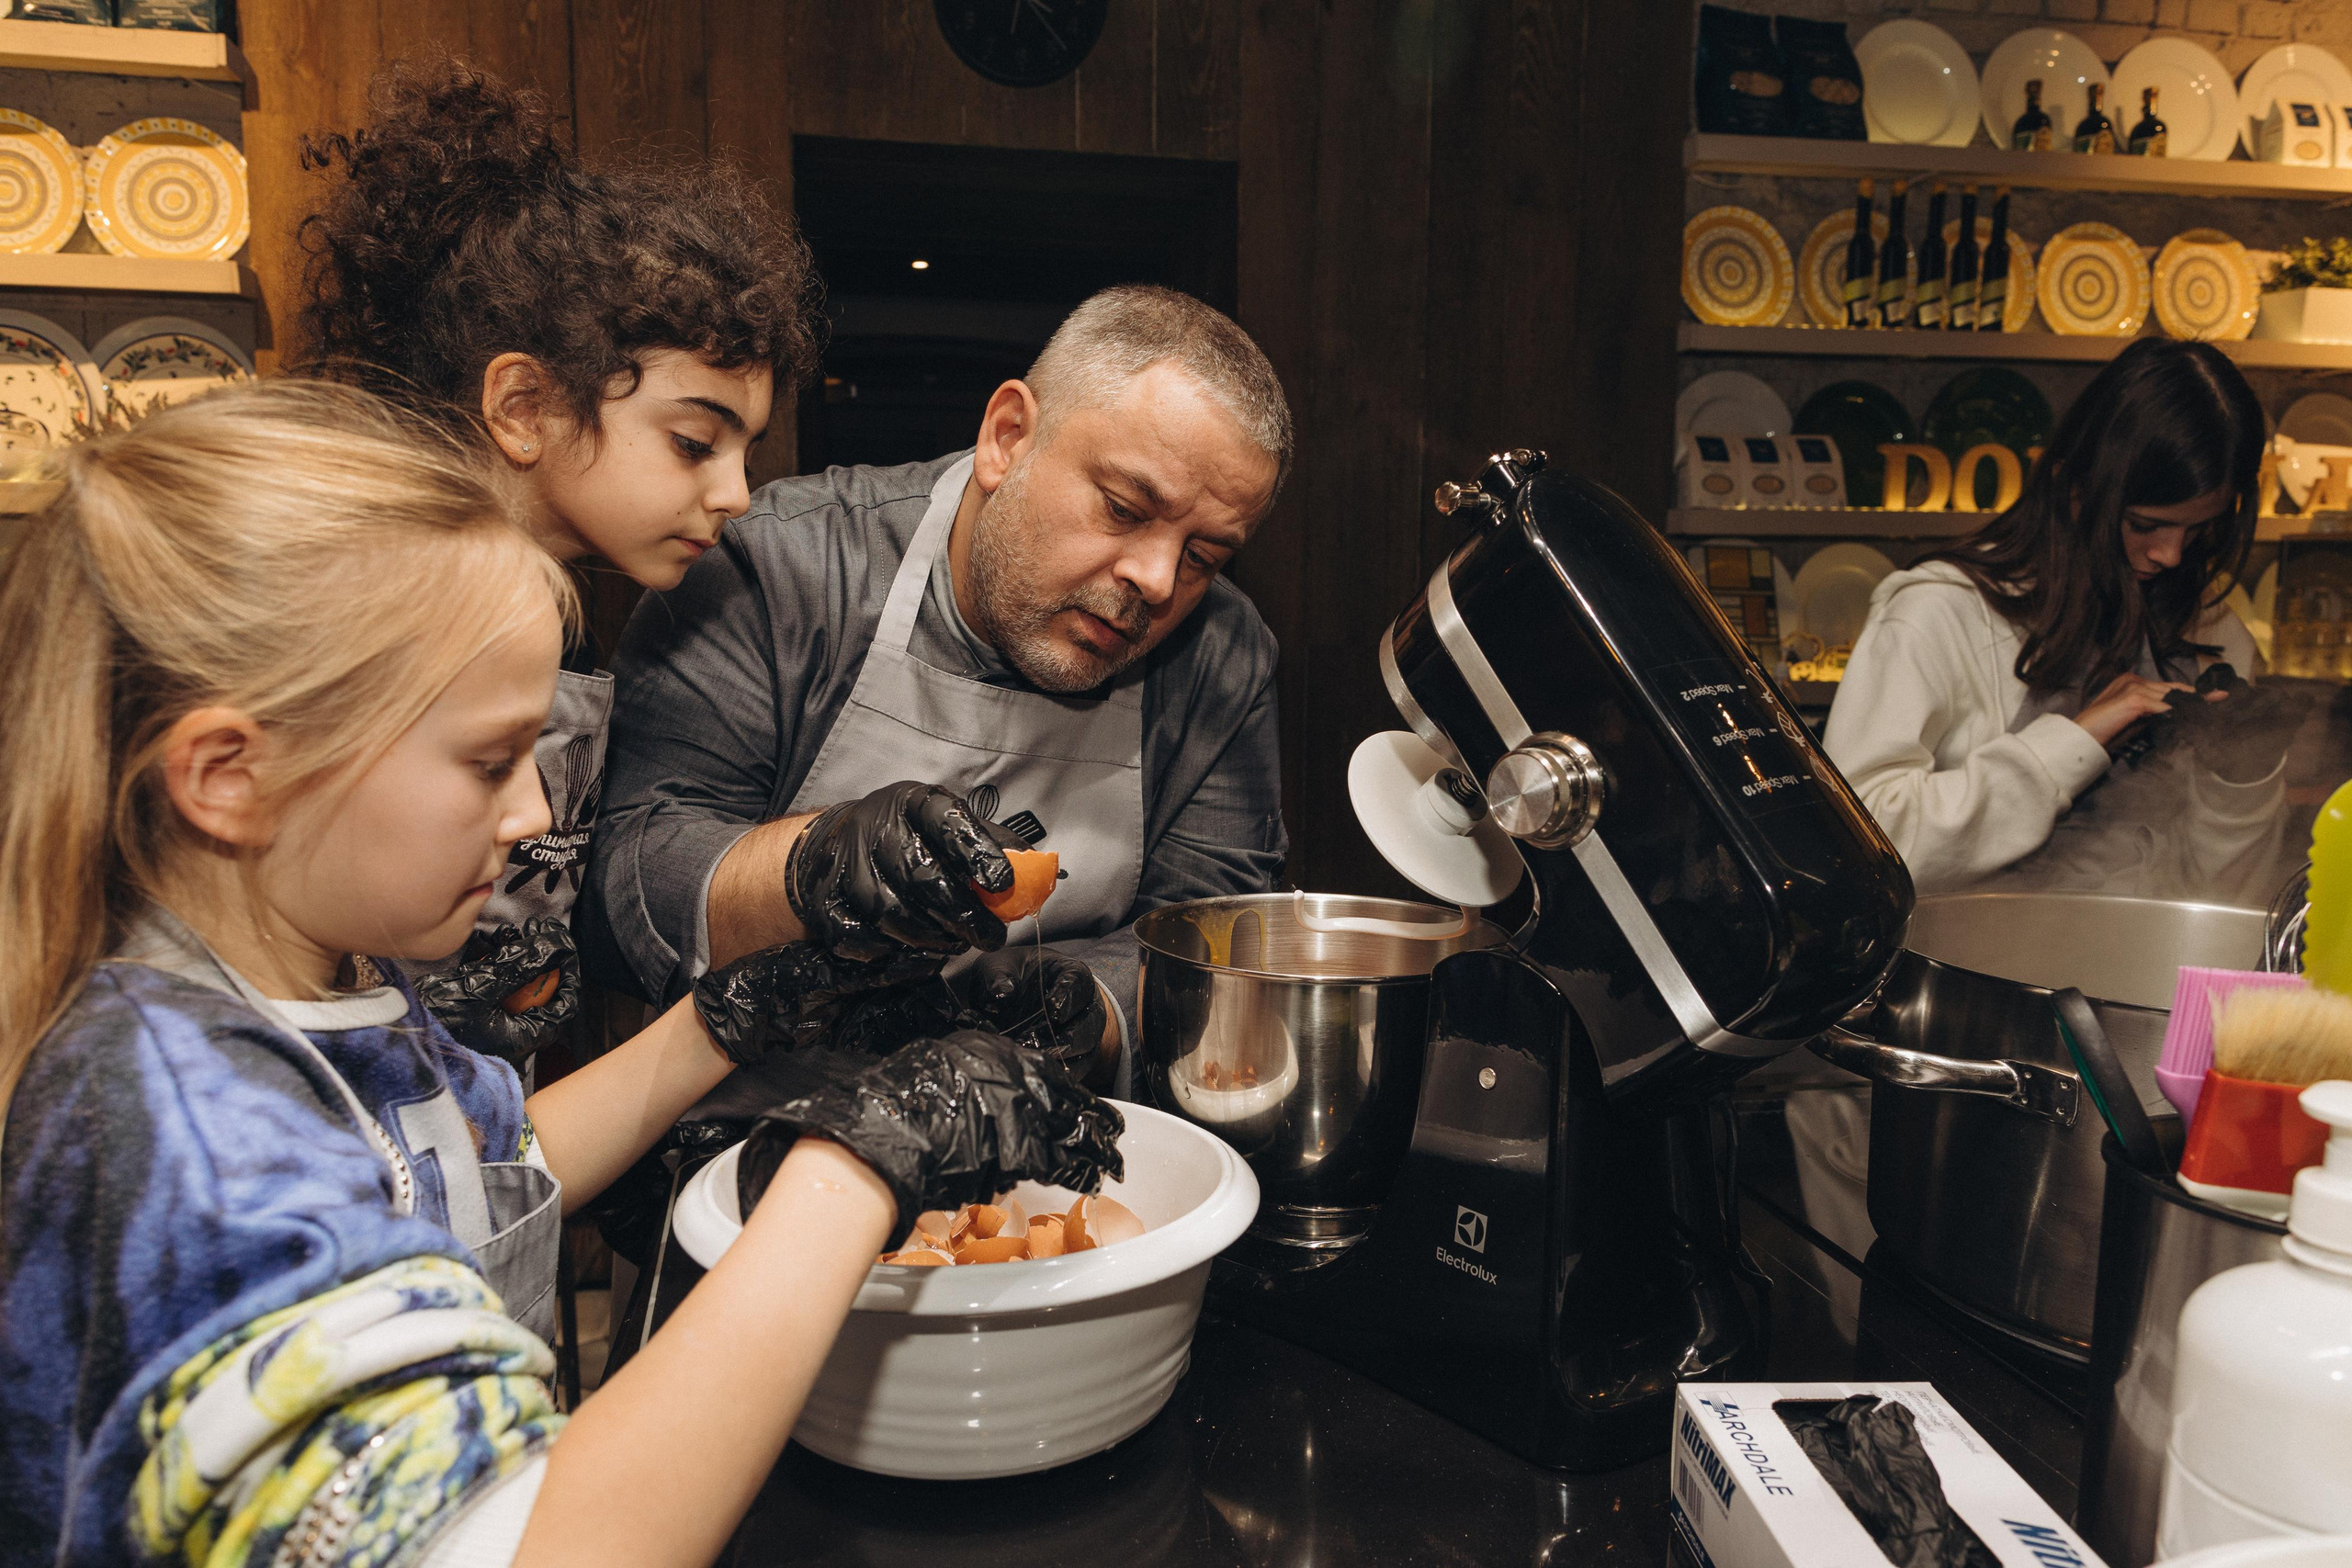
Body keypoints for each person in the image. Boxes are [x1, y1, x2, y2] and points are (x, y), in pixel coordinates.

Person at [0, 382, 1120, 1568]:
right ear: (229, 774)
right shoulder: (178, 1129)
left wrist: (730, 1017)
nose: (532, 813)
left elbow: (484, 1174)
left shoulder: (334, 976)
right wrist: (861, 1163)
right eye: (488, 762)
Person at [579, 286, 1294, 1089]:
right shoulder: (774, 572)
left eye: (1202, 557)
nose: (1158, 583)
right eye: (1125, 509)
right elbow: (626, 873)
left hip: (1042, 1158)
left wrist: (1085, 1010)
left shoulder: (1219, 658)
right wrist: (809, 866)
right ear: (1007, 437)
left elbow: (1210, 935)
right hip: (748, 1139)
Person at [295, 60, 820, 1070]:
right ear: (525, 409)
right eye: (693, 442)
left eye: (745, 451)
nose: (737, 494)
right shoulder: (382, 600)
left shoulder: (565, 612)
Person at [1825, 339, 2301, 899]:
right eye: (2145, 524)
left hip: (2145, 973)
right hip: (1972, 975)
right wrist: (2074, 743)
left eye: (2196, 531)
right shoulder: (1938, 613)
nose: (2171, 555)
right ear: (2074, 488)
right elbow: (1857, 848)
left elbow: (2225, 902)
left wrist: (2241, 781)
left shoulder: (2215, 637)